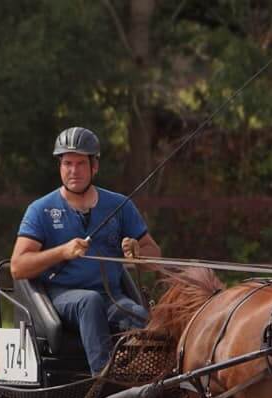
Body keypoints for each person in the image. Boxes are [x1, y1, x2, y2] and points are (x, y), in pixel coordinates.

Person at [10, 126, 161, 375]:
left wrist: (138, 252)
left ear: (94, 167)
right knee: (88, 302)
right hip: (61, 297)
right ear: (60, 166)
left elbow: (154, 257)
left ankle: (153, 380)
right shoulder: (41, 210)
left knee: (141, 317)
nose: (73, 170)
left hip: (112, 296)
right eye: (67, 163)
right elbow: (18, 267)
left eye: (80, 163)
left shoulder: (119, 205)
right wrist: (62, 252)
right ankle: (102, 379)